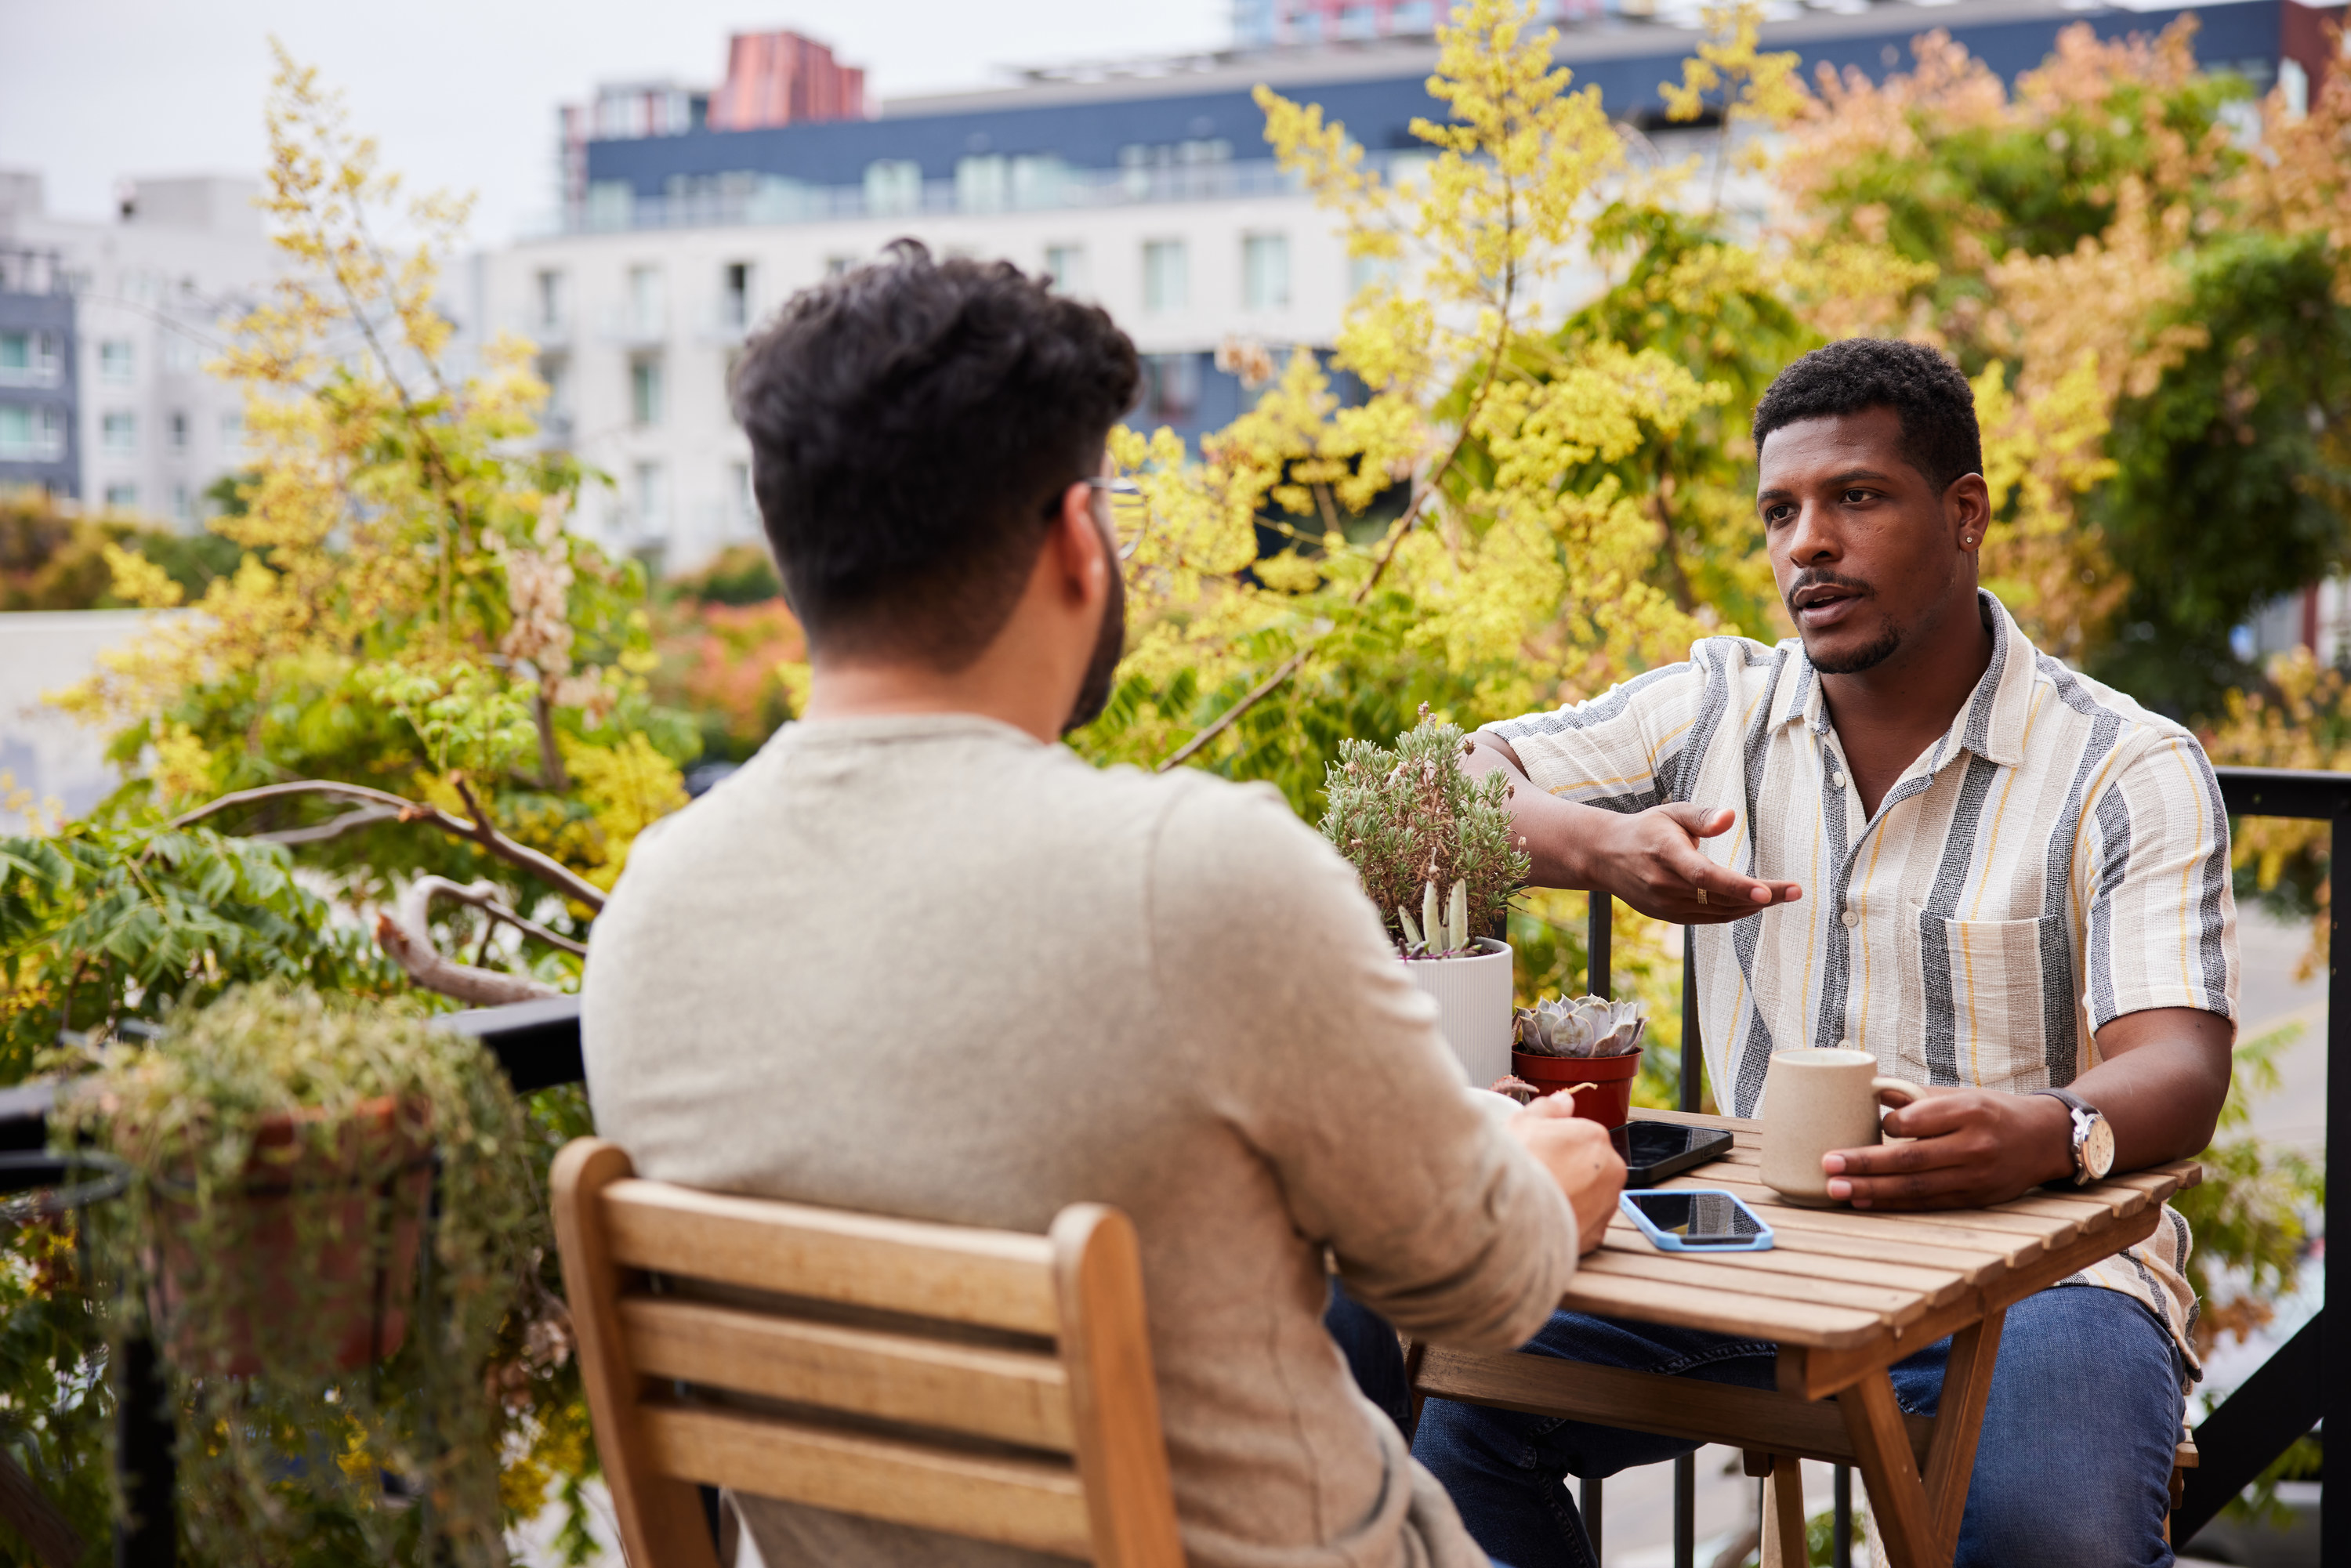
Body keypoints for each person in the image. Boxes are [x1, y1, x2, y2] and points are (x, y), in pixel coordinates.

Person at [581, 241, 1626, 1568]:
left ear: (794, 557)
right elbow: (1479, 1284)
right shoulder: (1195, 877)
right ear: (1080, 536)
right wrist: (1543, 1176)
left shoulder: (651, 914)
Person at [1414, 338, 2235, 1568]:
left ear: (1964, 515)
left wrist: (2047, 1130)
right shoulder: (1713, 707)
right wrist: (1602, 847)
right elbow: (1442, 785)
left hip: (2043, 1282)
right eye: (1781, 511)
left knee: (2049, 1534)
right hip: (1750, 1247)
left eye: (1856, 497)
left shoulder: (2125, 763)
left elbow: (2178, 1062)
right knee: (1450, 1414)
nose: (1808, 542)